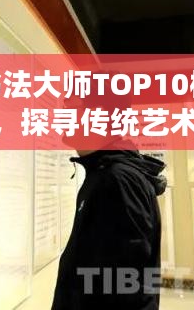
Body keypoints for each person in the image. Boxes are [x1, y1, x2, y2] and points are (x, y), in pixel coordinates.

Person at [51, 89, 167, 309]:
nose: (61, 116)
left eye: (70, 108)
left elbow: (127, 289)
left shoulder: (118, 181)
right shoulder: (104, 174)